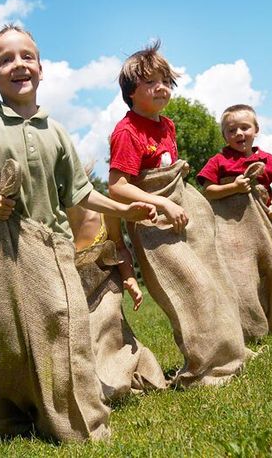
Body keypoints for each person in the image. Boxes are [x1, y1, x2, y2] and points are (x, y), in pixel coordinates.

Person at [0, 25, 157, 442]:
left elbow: (79, 193)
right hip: (6, 251)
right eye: (5, 60)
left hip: (54, 244)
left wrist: (122, 207)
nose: (18, 65)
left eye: (26, 56)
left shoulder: (56, 131)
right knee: (14, 339)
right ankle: (11, 413)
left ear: (41, 69)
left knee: (67, 323)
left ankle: (76, 413)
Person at [108, 41, 248, 388]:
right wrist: (164, 204)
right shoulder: (127, 132)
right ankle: (206, 368)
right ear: (130, 93)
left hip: (181, 217)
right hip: (153, 225)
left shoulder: (167, 125)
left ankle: (231, 350)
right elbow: (118, 186)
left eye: (165, 81)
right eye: (151, 83)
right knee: (191, 288)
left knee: (213, 279)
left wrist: (180, 201)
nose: (161, 88)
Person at [197, 104, 272, 340]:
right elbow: (208, 191)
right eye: (232, 130)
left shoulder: (266, 159)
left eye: (245, 127)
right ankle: (252, 329)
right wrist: (234, 187)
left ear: (256, 129)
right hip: (233, 230)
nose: (239, 134)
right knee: (243, 278)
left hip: (266, 224)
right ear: (224, 135)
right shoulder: (219, 161)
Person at [66, 165, 167, 401]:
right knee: (81, 340)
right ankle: (88, 381)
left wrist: (130, 278)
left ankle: (115, 376)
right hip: (73, 288)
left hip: (105, 281)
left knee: (108, 324)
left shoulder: (106, 212)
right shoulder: (56, 218)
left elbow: (119, 246)